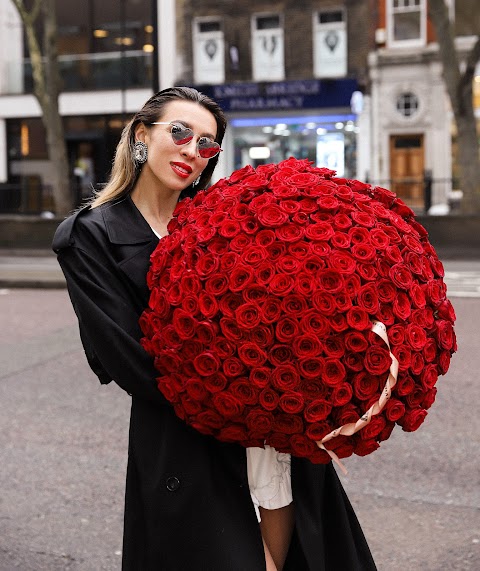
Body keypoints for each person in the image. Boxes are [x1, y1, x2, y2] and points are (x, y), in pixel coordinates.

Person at [53, 86, 377, 571]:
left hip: (278, 423)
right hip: (187, 440)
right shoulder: (91, 235)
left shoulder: (222, 219)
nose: (191, 150)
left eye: (207, 144)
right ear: (142, 135)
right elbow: (131, 363)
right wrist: (249, 388)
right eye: (179, 132)